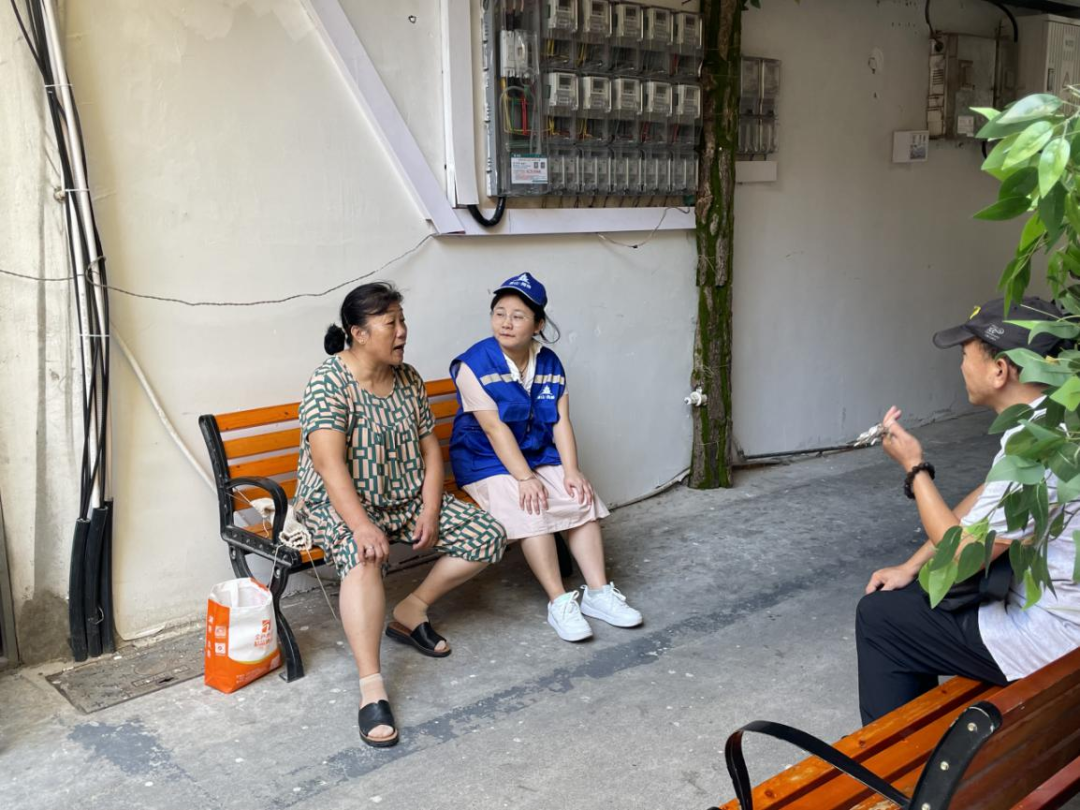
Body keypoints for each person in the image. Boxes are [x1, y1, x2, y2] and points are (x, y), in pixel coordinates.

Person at [294, 282, 506, 748]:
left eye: (402, 321)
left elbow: (430, 450)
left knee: (487, 534)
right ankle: (371, 687)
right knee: (363, 556)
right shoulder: (329, 382)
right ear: (359, 333)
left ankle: (411, 609)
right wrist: (361, 525)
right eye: (390, 323)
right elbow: (329, 465)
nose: (402, 331)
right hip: (340, 502)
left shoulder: (407, 378)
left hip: (402, 497)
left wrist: (430, 508)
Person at [856, 296, 1080, 725]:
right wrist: (911, 565)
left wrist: (915, 469)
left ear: (1000, 370)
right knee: (909, 594)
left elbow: (962, 556)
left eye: (965, 354)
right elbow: (987, 493)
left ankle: (900, 759)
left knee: (880, 619)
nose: (961, 366)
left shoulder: (1036, 451)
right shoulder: (1059, 424)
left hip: (1053, 640)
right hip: (1066, 622)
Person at [448, 272, 643, 642]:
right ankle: (559, 601)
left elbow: (560, 421)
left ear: (538, 324)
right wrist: (525, 478)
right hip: (484, 459)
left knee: (580, 496)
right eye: (499, 313)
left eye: (518, 316)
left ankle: (598, 593)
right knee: (532, 507)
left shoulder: (549, 362)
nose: (506, 322)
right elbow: (494, 429)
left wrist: (571, 470)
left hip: (534, 451)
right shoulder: (473, 364)